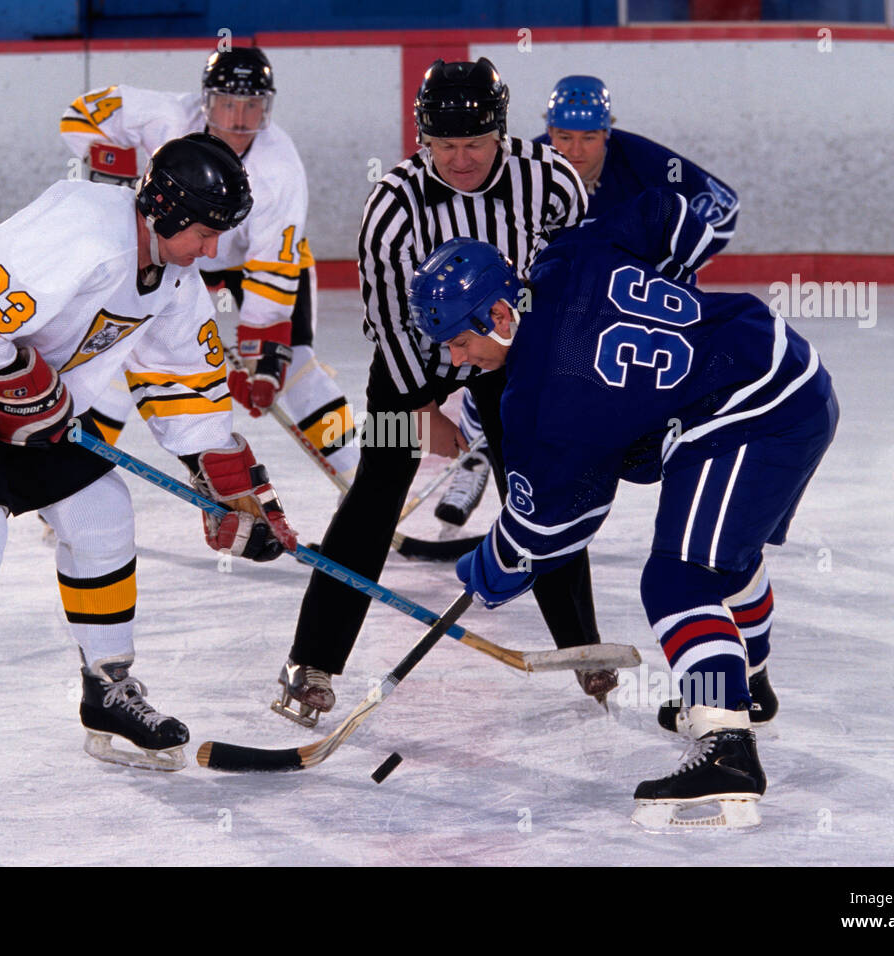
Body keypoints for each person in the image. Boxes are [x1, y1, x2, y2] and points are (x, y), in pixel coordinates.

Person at [0, 133, 297, 839]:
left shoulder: (176, 280)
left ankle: (107, 689)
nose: (211, 250)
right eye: (205, 233)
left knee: (101, 513)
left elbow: (185, 386)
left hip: (24, 403)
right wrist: (11, 375)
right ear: (162, 208)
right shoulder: (85, 226)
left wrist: (232, 485)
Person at [408, 191, 838, 829]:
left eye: (460, 341)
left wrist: (492, 568)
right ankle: (748, 686)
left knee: (679, 577)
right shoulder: (568, 256)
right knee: (729, 557)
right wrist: (674, 313)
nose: (456, 358)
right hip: (789, 368)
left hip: (747, 413)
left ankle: (728, 747)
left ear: (500, 313)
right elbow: (670, 215)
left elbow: (552, 529)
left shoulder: (541, 402)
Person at [273, 57, 601, 729]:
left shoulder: (552, 185)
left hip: (513, 360)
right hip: (412, 371)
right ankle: (312, 663)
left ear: (502, 133)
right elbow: (389, 321)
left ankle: (582, 645)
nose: (459, 159)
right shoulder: (393, 205)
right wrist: (425, 412)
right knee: (375, 492)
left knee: (541, 488)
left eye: (474, 144)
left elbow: (580, 279)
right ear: (422, 139)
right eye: (443, 146)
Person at [439, 74, 741, 532]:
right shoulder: (526, 165)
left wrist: (674, 267)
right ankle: (478, 457)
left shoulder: (642, 160)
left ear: (608, 133)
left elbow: (722, 207)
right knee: (497, 347)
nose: (575, 151)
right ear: (548, 132)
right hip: (552, 293)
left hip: (620, 299)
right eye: (563, 137)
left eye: (589, 138)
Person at [59, 46, 359, 481]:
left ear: (267, 106)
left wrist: (265, 359)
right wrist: (117, 168)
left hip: (247, 263)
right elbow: (81, 114)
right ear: (205, 101)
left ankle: (363, 479)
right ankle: (76, 479)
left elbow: (272, 263)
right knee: (122, 353)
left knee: (296, 365)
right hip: (179, 249)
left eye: (252, 105)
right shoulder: (166, 116)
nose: (239, 119)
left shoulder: (281, 165)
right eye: (228, 104)